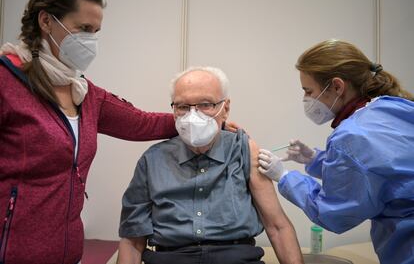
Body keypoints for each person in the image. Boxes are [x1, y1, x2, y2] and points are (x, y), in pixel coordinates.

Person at [0, 0, 180, 264]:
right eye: (84, 29)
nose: (90, 41)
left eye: (95, 31)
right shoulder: (7, 82)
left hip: (70, 253)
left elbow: (142, 123)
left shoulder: (84, 92)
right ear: (46, 21)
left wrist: (202, 119)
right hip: (13, 253)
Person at [117, 67, 303, 264]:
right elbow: (132, 239)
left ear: (226, 109)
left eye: (205, 105)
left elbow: (277, 226)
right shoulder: (153, 160)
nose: (193, 116)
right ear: (173, 110)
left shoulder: (243, 150)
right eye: (182, 107)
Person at [258, 39, 414, 264]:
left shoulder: (352, 135)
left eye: (309, 91)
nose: (306, 99)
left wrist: (284, 176)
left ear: (337, 86)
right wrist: (315, 159)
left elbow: (334, 213)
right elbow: (378, 170)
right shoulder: (394, 106)